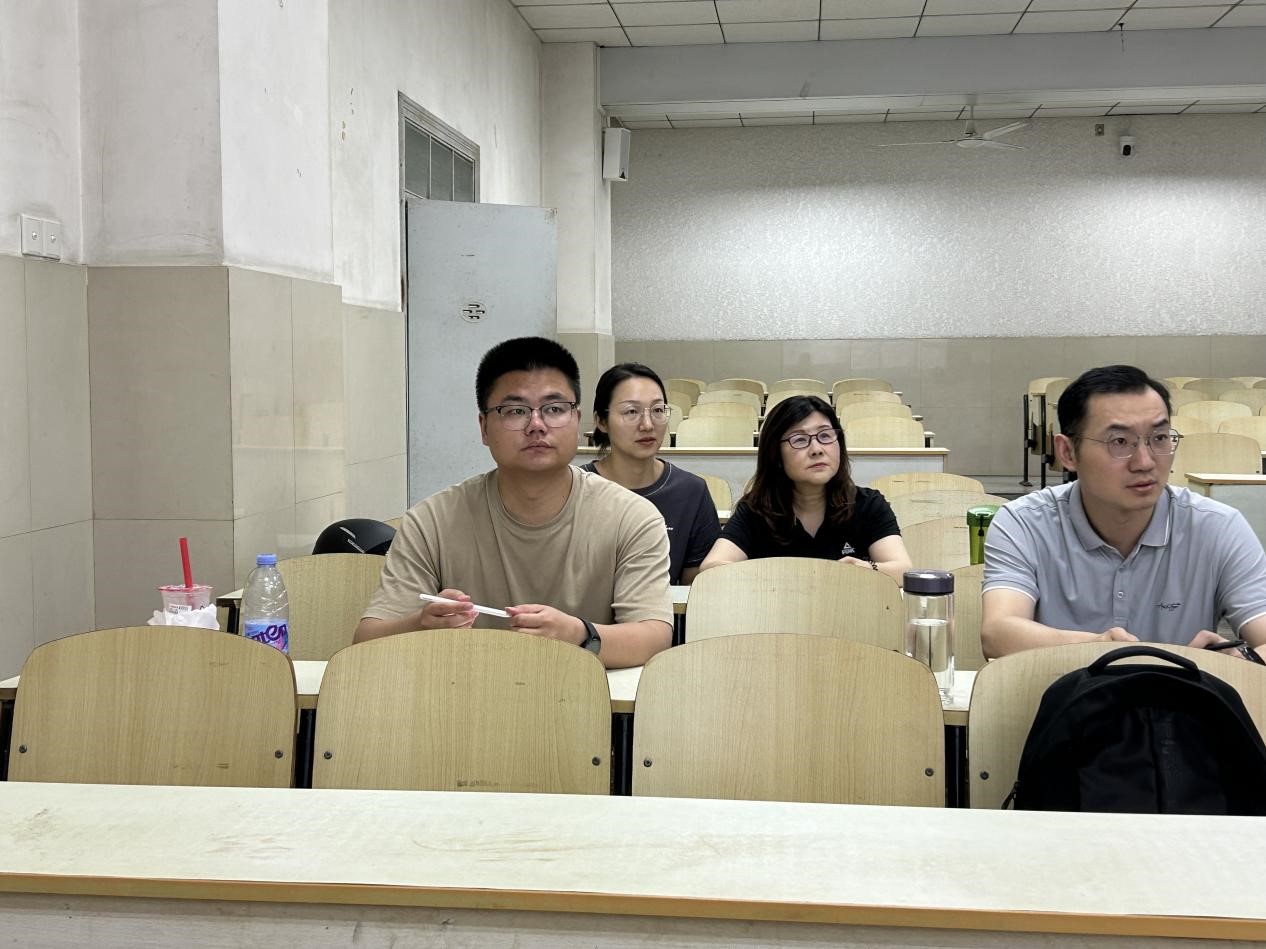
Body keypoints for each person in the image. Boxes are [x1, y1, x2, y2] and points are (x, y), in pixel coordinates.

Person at [355, 336, 673, 669]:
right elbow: (366, 642)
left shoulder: (631, 518)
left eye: (554, 409)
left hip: (582, 694)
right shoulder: (432, 521)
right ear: (484, 427)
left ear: (577, 419)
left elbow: (653, 636)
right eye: (515, 411)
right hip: (462, 694)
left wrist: (579, 634)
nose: (536, 425)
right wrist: (420, 626)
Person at [982, 364, 1266, 659]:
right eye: (1119, 442)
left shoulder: (1217, 527)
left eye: (1159, 438)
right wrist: (1103, 650)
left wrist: (1242, 662)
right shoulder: (1024, 523)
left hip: (1184, 690)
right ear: (1067, 452)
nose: (1145, 462)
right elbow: (998, 632)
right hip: (1061, 688)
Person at [698, 394, 912, 581]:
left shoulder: (868, 504)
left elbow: (903, 570)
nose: (817, 449)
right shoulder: (756, 511)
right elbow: (710, 569)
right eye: (800, 440)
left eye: (825, 435)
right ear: (776, 455)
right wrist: (787, 575)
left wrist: (863, 568)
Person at [582, 363, 720, 584]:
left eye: (657, 410)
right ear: (601, 421)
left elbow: (694, 590)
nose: (647, 425)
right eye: (631, 412)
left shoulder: (691, 491)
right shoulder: (575, 489)